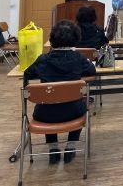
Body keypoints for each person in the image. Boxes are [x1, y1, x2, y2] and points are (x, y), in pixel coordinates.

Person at [23, 20, 96, 164]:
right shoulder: (78, 58)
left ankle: (53, 149)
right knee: (81, 105)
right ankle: (70, 147)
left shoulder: (43, 60)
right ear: (75, 38)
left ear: (52, 39)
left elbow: (28, 73)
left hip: (44, 115)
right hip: (73, 112)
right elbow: (91, 71)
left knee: (50, 103)